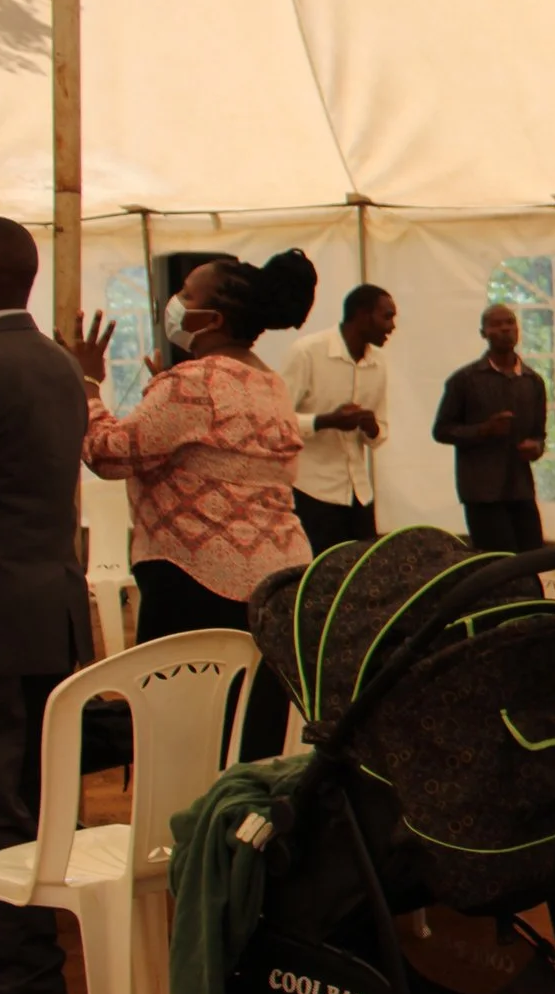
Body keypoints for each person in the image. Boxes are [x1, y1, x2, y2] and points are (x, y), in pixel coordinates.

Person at [69, 250, 314, 762]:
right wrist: (164, 391)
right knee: (249, 735)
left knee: (185, 739)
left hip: (198, 582)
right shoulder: (268, 381)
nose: (174, 303)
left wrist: (87, 383)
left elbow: (109, 455)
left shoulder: (193, 383)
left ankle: (186, 836)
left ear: (213, 319)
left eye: (186, 294)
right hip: (276, 583)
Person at [0, 219, 94, 994]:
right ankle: (31, 959)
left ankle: (20, 977)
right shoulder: (58, 364)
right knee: (31, 791)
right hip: (45, 607)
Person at [280, 283, 395, 553]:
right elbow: (276, 421)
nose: (392, 327)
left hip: (359, 492)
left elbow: (380, 435)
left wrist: (371, 427)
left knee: (362, 573)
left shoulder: (378, 362)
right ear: (363, 315)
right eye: (386, 317)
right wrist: (325, 421)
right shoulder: (307, 352)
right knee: (320, 576)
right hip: (313, 491)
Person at [432, 303, 547, 553]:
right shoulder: (465, 380)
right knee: (496, 566)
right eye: (496, 324)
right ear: (483, 333)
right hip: (482, 492)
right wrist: (483, 430)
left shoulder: (532, 382)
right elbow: (441, 430)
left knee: (533, 559)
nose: (505, 329)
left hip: (521, 489)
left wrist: (535, 448)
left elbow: (539, 434)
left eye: (510, 322)